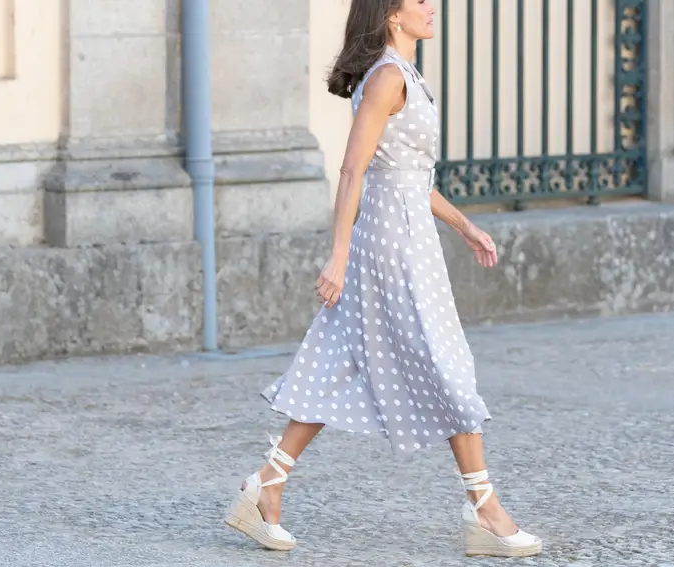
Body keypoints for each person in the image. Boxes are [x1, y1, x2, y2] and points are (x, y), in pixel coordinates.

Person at [223, 0, 541, 558]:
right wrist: (338, 255)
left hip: (411, 238)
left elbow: (411, 178)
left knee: (339, 362)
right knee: (446, 365)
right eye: (419, 1)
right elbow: (354, 169)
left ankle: (264, 485)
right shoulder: (388, 78)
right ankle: (485, 509)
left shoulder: (406, 76)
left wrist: (464, 224)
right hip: (388, 247)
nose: (431, 7)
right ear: (393, 15)